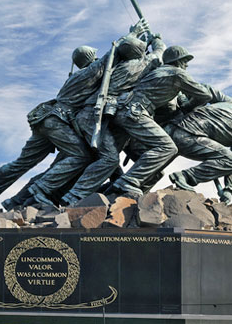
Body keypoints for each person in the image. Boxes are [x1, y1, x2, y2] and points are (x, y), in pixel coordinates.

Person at [0, 45, 98, 214]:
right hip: (57, 122)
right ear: (90, 58)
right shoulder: (87, 72)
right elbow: (114, 57)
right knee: (81, 156)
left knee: (21, 163)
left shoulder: (78, 75)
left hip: (47, 120)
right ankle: (40, 190)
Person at [59, 34, 166, 205]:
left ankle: (114, 192)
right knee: (109, 158)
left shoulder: (115, 67)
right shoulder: (140, 64)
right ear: (139, 52)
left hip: (96, 115)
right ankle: (74, 197)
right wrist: (155, 40)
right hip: (93, 116)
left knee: (110, 156)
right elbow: (159, 52)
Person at [110, 45, 213, 196]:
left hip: (126, 111)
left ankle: (115, 194)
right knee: (168, 148)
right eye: (185, 61)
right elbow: (205, 95)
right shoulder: (177, 74)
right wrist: (186, 107)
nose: (187, 65)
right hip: (135, 112)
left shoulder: (157, 72)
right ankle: (128, 181)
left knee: (157, 172)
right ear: (177, 61)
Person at [167, 102, 232, 204]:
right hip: (187, 138)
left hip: (170, 128)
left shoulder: (230, 106)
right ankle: (185, 176)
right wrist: (229, 190)